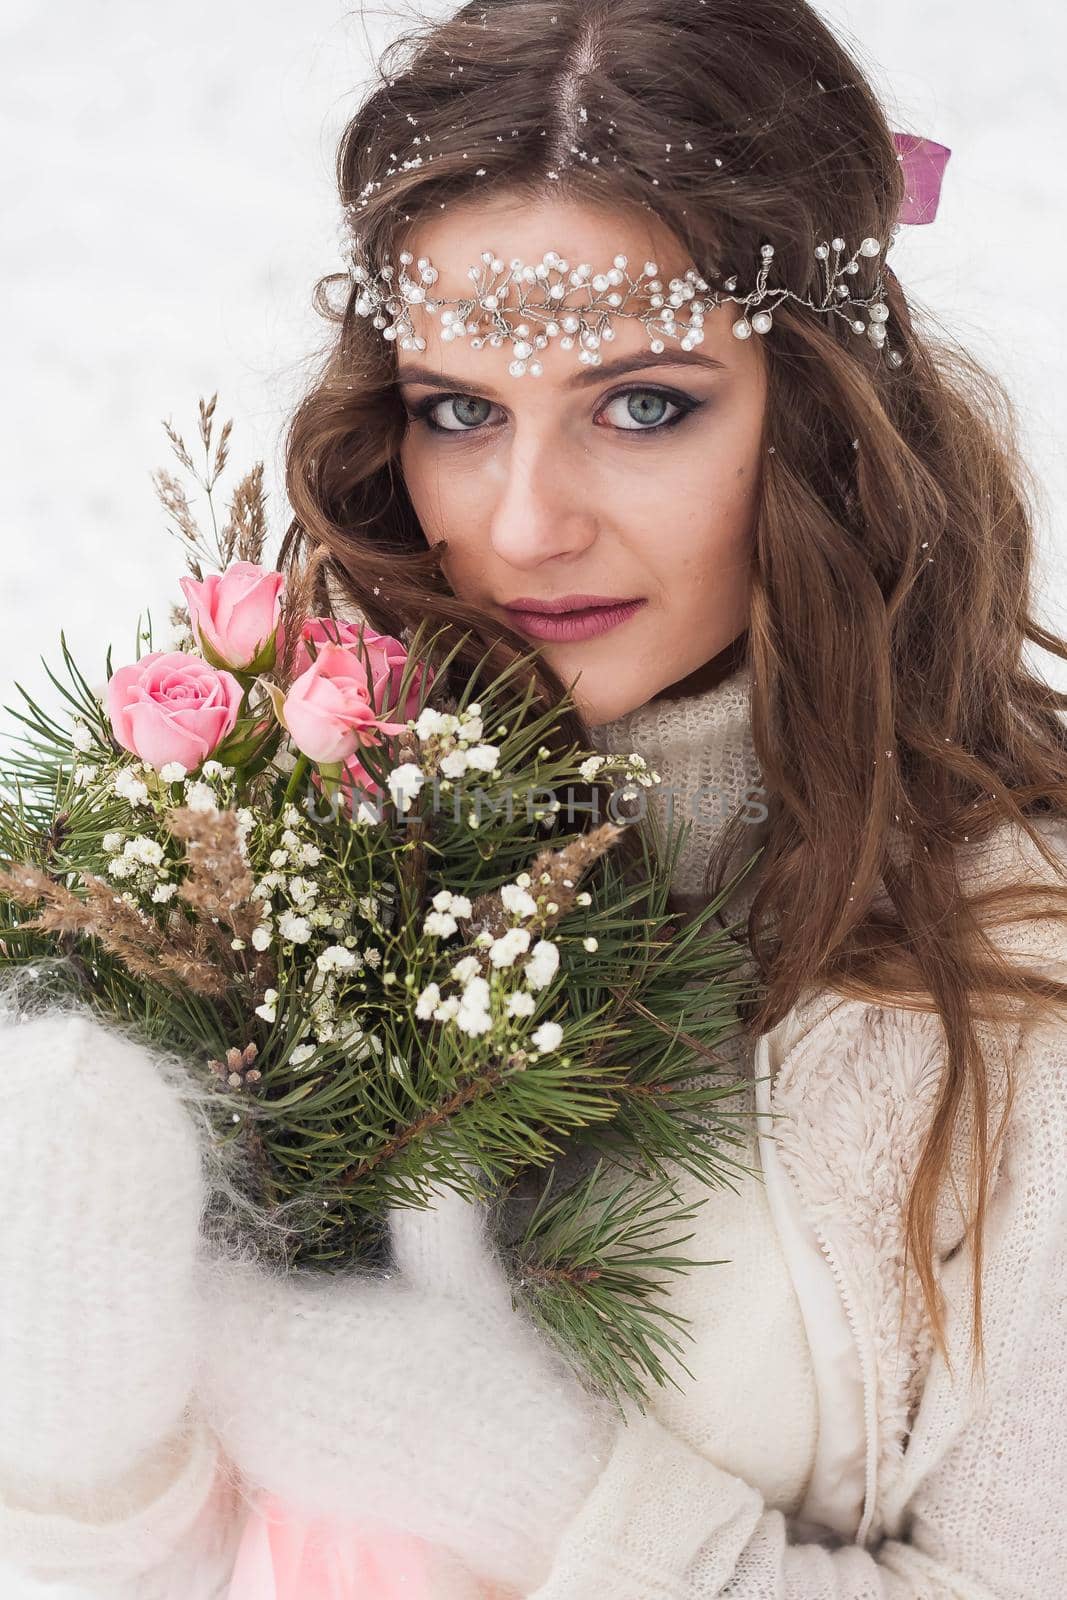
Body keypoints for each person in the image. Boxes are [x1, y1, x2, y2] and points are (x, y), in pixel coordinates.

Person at [3, 0, 1067, 1595]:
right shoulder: (264, 843)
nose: (523, 522)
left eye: (644, 405)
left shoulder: (1017, 968)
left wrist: (562, 1498)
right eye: (460, 410)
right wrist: (85, 1471)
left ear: (826, 420)